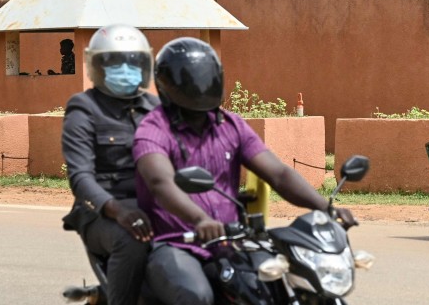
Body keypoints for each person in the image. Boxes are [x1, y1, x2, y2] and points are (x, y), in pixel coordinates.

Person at [134, 37, 358, 305]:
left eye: (206, 77)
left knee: (279, 286)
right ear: (168, 84)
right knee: (196, 296)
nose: (200, 85)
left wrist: (325, 206)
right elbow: (161, 183)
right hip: (175, 243)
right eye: (191, 79)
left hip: (231, 241)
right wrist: (199, 220)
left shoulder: (231, 126)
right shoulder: (153, 128)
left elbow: (278, 174)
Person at [61, 25, 160, 305]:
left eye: (133, 62)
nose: (125, 69)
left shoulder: (155, 107)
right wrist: (118, 211)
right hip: (102, 213)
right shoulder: (84, 108)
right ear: (98, 66)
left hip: (152, 206)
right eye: (115, 62)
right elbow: (80, 177)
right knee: (132, 240)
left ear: (144, 65)